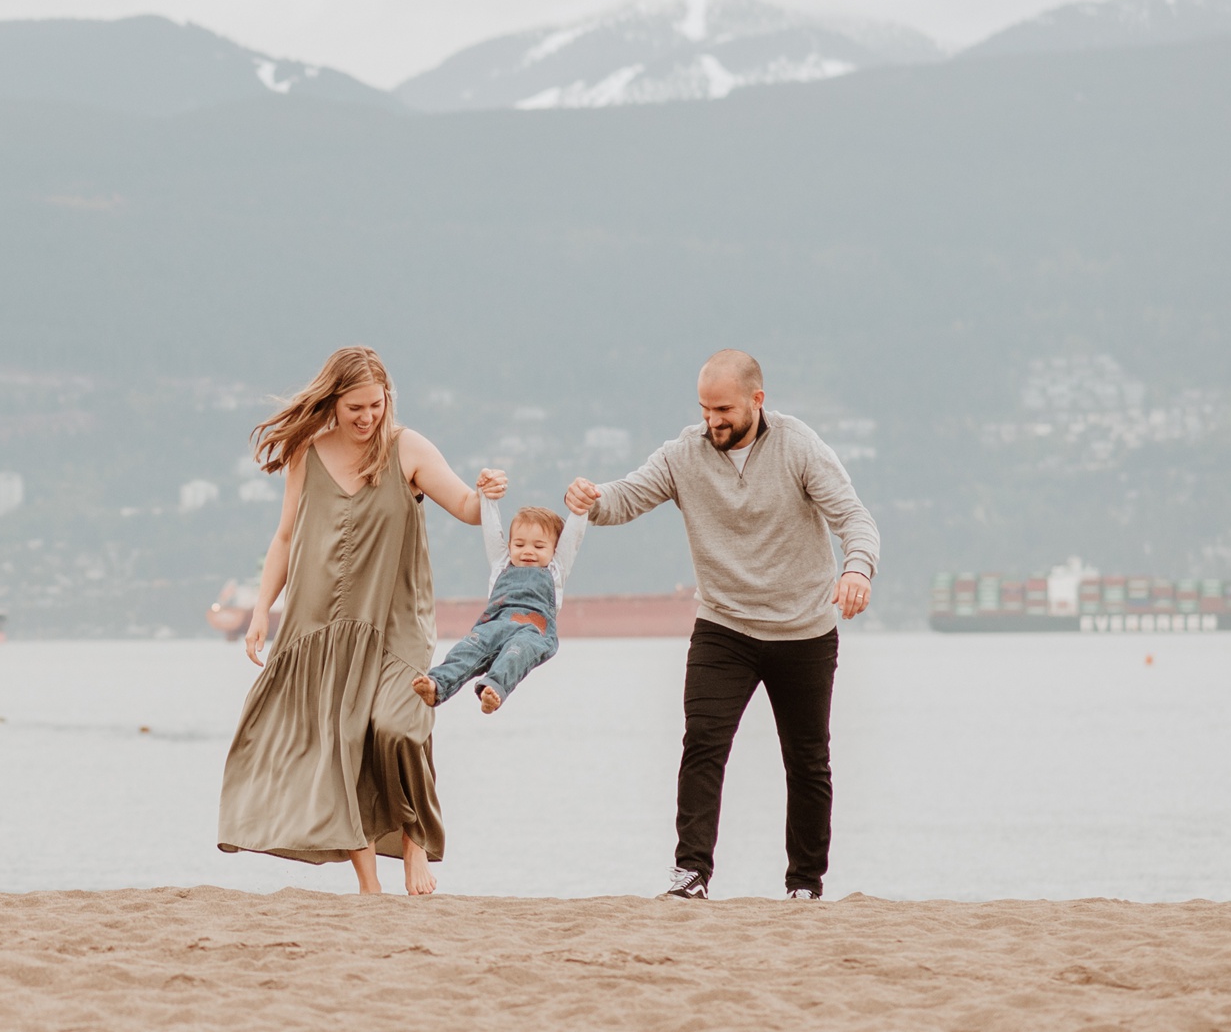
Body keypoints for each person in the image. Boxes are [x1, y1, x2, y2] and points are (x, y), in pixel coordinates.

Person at [565, 349, 879, 901]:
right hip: (724, 627)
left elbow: (854, 518)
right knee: (703, 744)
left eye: (724, 409)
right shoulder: (683, 454)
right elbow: (626, 499)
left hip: (803, 629)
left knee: (807, 759)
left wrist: (856, 570)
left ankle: (805, 885)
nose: (713, 420)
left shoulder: (797, 445)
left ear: (758, 401)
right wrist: (591, 500)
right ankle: (691, 875)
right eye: (706, 409)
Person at [217, 345, 505, 895]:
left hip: (396, 621)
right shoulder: (307, 451)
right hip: (321, 624)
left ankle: (414, 842)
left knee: (397, 727)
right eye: (355, 407)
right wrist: (260, 612)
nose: (368, 417)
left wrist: (486, 492)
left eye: (376, 405)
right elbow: (284, 536)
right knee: (341, 744)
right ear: (333, 401)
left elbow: (467, 508)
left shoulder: (407, 449)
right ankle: (369, 884)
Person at [414, 506, 564, 713]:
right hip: (493, 625)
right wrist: (489, 497)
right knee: (465, 650)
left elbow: (572, 540)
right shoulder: (502, 563)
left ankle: (493, 689)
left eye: (539, 547)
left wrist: (581, 510)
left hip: (532, 631)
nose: (528, 551)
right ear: (509, 545)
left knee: (515, 655)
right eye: (519, 544)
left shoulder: (556, 570)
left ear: (555, 551)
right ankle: (436, 685)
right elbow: (492, 530)